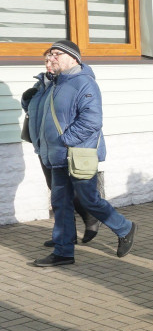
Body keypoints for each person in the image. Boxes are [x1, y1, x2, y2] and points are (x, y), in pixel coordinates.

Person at [28, 40, 137, 267]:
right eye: (51, 55)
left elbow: (91, 121)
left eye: (57, 54)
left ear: (74, 58)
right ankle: (64, 251)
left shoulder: (84, 83)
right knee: (61, 203)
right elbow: (39, 115)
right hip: (57, 157)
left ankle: (124, 227)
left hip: (78, 155)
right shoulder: (54, 84)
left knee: (89, 200)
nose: (53, 58)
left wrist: (66, 141)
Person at [21, 53, 100, 247]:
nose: (48, 64)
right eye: (46, 61)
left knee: (68, 192)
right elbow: (35, 111)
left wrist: (65, 141)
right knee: (56, 193)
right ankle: (67, 235)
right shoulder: (43, 83)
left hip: (64, 147)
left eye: (52, 60)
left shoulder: (69, 83)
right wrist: (26, 100)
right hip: (43, 145)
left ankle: (91, 216)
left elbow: (87, 118)